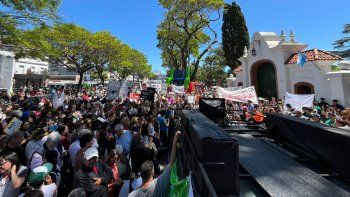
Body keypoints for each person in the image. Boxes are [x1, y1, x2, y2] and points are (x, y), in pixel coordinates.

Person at [128, 131, 181, 197]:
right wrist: (175, 138)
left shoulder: (132, 195)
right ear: (152, 172)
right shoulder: (158, 184)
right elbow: (171, 162)